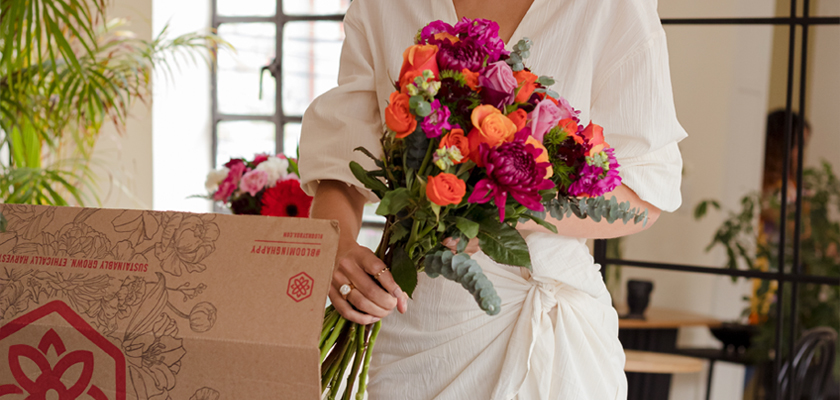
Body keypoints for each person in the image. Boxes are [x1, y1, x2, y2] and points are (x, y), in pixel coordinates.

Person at [299, 0, 687, 398]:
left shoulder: (612, 7)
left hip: (547, 332)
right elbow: (342, 158)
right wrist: (336, 246)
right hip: (409, 326)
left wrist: (507, 207)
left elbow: (645, 195)